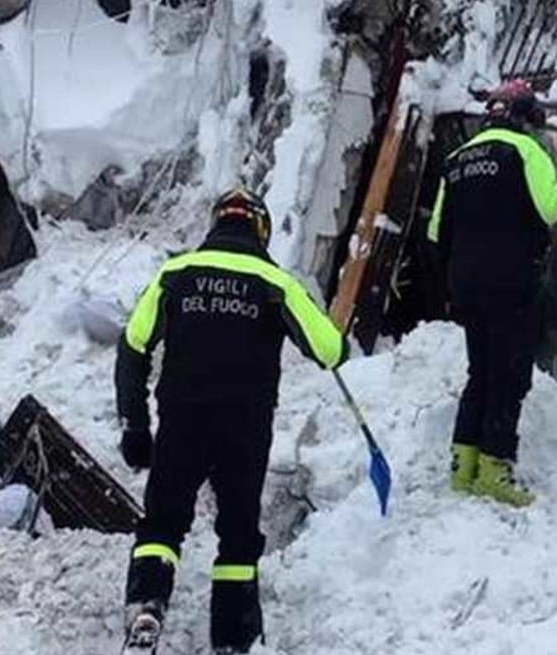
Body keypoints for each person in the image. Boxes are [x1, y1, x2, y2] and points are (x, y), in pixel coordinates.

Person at [114, 186, 347, 653]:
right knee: (238, 533)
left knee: (162, 523)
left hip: (182, 419)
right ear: (260, 228)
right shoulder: (274, 281)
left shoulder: (175, 273)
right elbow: (329, 349)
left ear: (215, 224)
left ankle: (146, 604)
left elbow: (133, 347)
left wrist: (135, 425)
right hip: (245, 426)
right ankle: (233, 638)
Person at [426, 79, 557, 507]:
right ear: (525, 117)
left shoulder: (457, 159)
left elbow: (436, 233)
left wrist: (451, 284)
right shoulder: (525, 151)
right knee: (509, 375)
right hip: (511, 282)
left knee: (480, 372)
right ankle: (495, 469)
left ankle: (462, 466)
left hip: (465, 284)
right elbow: (552, 207)